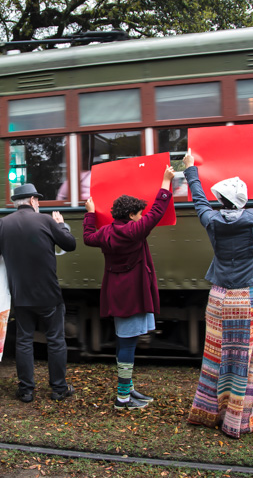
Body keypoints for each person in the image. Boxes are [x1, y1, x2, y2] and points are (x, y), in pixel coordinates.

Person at [183, 145, 253, 439]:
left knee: (215, 357)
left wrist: (190, 169)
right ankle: (238, 420)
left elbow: (198, 197)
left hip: (219, 298)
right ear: (243, 201)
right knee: (248, 360)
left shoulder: (210, 219)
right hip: (249, 297)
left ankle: (209, 412)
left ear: (220, 201)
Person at [82, 166, 175, 410]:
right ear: (132, 215)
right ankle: (123, 397)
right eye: (139, 213)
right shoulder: (135, 231)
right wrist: (165, 181)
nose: (142, 216)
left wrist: (90, 214)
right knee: (128, 345)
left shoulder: (105, 234)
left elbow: (87, 237)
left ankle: (128, 389)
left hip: (116, 294)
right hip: (134, 294)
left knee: (125, 342)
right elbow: (157, 211)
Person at [0, 183, 77, 403]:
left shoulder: (2, 224)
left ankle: (26, 390)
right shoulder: (46, 221)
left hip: (21, 295)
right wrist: (61, 225)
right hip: (49, 295)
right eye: (38, 200)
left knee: (23, 341)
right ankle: (58, 389)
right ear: (33, 201)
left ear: (17, 203)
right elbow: (70, 244)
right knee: (55, 340)